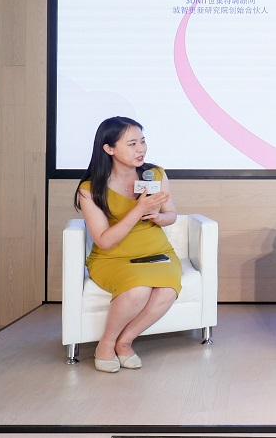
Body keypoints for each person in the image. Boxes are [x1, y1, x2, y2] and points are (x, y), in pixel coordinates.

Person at [74, 116, 182, 373]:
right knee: (138, 290)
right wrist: (138, 209)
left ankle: (124, 342)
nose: (141, 149)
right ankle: (105, 344)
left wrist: (157, 217)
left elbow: (171, 215)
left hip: (158, 253)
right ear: (109, 148)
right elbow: (104, 240)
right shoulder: (91, 189)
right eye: (132, 144)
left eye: (143, 142)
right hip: (112, 259)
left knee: (167, 290)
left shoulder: (155, 174)